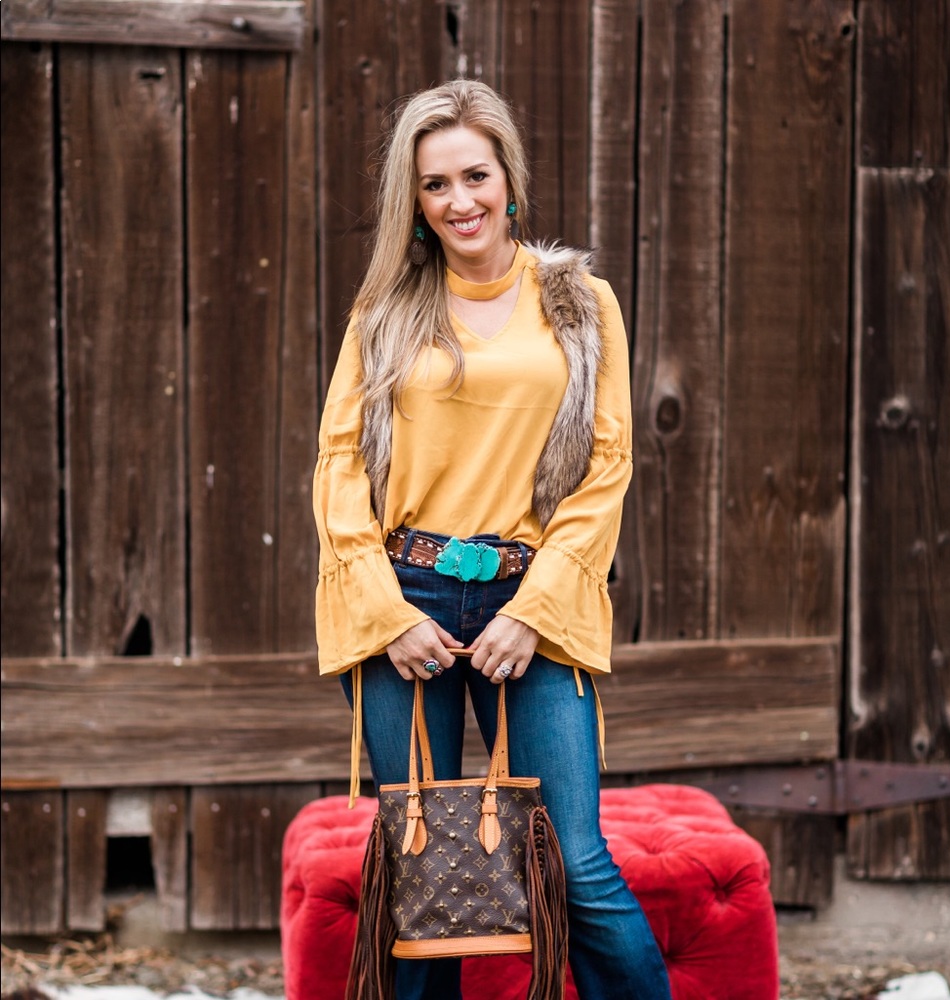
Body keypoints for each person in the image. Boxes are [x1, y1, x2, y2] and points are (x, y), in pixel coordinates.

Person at [312, 79, 671, 1000]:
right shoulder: (385, 312)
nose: (461, 200)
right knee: (420, 868)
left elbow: (607, 464)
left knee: (576, 863)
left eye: (476, 175)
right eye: (436, 185)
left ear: (510, 180)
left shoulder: (583, 307)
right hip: (410, 604)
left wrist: (537, 607)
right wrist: (385, 614)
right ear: (417, 203)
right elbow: (340, 463)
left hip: (531, 601)